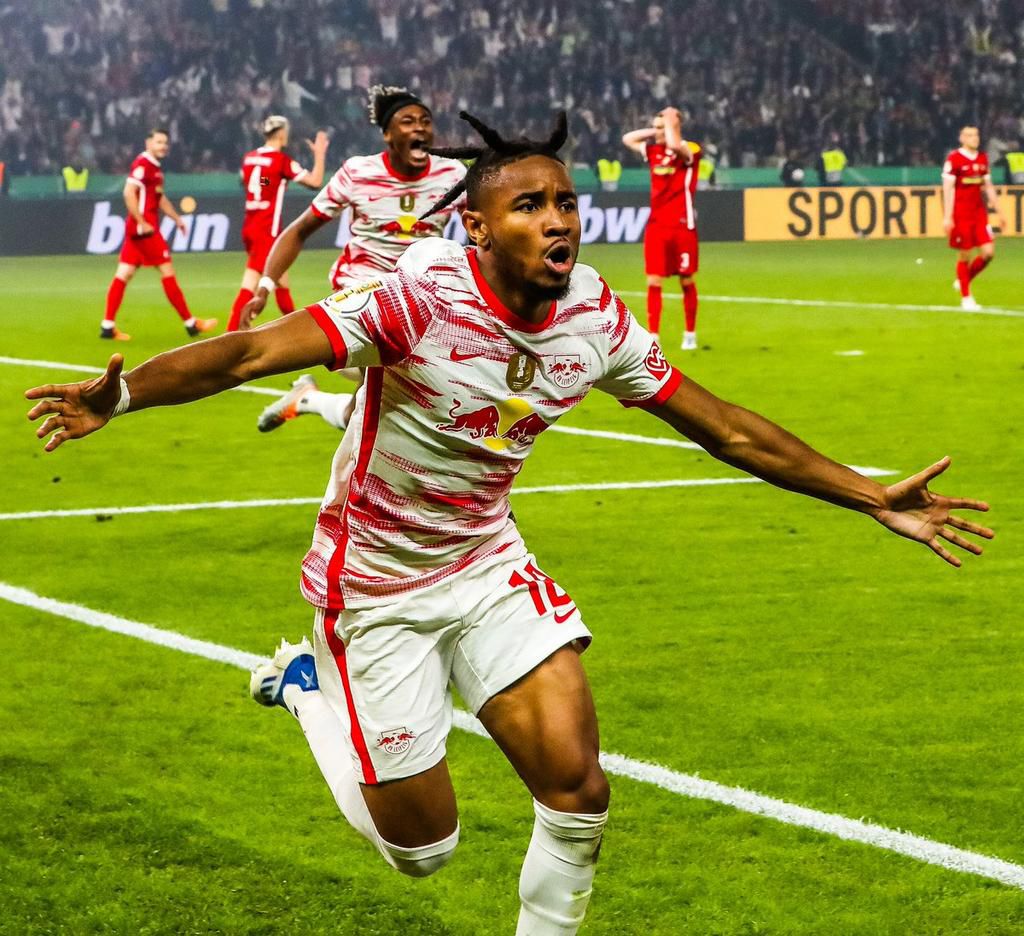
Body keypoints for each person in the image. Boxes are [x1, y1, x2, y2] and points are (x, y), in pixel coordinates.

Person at [25, 112, 994, 936]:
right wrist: (125, 395)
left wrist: (871, 496)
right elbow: (250, 354)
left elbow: (727, 429)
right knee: (424, 851)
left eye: (565, 201)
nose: (558, 219)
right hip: (376, 585)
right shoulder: (418, 300)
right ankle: (305, 687)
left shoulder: (594, 319)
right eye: (529, 205)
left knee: (578, 793)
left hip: (486, 562)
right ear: (478, 228)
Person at [247, 85, 466, 434]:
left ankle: (307, 399)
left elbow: (485, 226)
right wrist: (264, 286)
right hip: (362, 292)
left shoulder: (452, 175)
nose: (420, 128)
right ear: (387, 134)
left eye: (425, 121)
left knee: (366, 413)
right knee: (387, 413)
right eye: (408, 121)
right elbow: (299, 230)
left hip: (420, 299)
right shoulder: (358, 173)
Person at [100, 128, 216, 341]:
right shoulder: (143, 165)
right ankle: (191, 324)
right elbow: (128, 192)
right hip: (145, 230)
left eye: (165, 143)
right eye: (159, 142)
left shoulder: (155, 169)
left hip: (137, 230)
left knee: (124, 274)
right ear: (148, 143)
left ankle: (107, 326)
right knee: (167, 271)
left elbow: (159, 199)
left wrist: (177, 219)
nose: (163, 146)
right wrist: (142, 222)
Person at [227, 117, 330, 332]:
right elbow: (315, 182)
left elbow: (253, 181)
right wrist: (319, 155)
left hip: (250, 226)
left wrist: (272, 182)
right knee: (251, 281)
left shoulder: (249, 158)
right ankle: (231, 334)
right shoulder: (281, 161)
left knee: (281, 279)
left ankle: (296, 332)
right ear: (282, 133)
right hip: (267, 229)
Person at [622, 107, 702, 351]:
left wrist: (670, 124)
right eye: (655, 127)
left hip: (682, 226)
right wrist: (657, 129)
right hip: (657, 226)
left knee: (686, 280)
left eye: (662, 126)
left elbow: (676, 144)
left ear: (676, 126)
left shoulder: (691, 150)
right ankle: (653, 336)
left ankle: (690, 334)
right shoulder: (653, 151)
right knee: (653, 281)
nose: (657, 132)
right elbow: (628, 139)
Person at [943, 126, 1008, 312]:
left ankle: (963, 280)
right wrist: (947, 216)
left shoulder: (982, 159)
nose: (975, 138)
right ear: (962, 138)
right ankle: (966, 298)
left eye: (976, 135)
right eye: (970, 135)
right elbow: (948, 189)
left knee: (988, 253)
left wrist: (1000, 212)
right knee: (965, 254)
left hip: (979, 214)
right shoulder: (954, 159)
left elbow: (988, 187)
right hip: (961, 214)